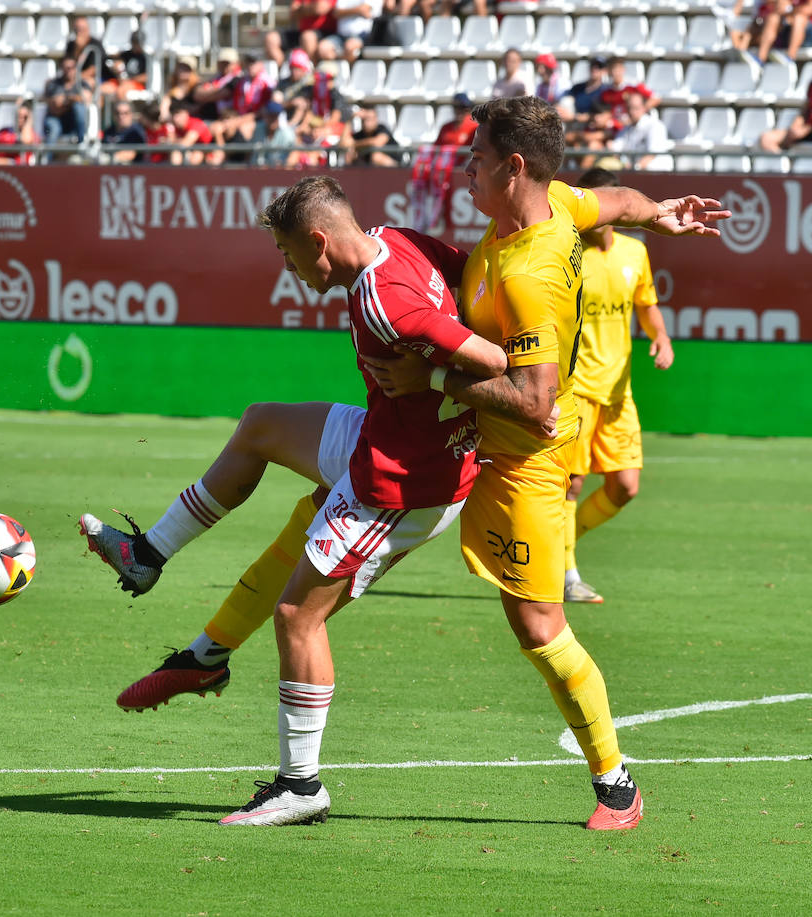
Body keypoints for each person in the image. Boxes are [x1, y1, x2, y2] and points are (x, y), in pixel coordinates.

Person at [81, 174, 512, 826]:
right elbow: (472, 271)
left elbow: (495, 361)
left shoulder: (383, 305)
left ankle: (300, 785)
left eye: (287, 255)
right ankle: (148, 553)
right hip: (387, 436)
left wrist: (429, 374)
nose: (289, 270)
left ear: (318, 240)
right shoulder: (395, 241)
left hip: (402, 484)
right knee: (262, 425)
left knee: (297, 616)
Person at [364, 96, 727, 831]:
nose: (467, 167)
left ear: (514, 166)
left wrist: (431, 381)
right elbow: (616, 199)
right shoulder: (556, 202)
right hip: (481, 448)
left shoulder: (531, 274)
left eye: (478, 156)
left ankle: (617, 785)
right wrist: (661, 212)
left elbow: (534, 402)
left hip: (522, 462)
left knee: (539, 626)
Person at [559, 168, 672, 605]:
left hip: (618, 390)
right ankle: (567, 575)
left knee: (625, 487)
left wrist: (660, 336)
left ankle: (564, 542)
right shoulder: (568, 255)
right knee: (572, 484)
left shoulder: (634, 253)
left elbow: (647, 304)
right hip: (578, 389)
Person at [609, 91, 669, 170]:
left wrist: (635, 168)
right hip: (634, 173)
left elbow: (652, 155)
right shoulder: (626, 128)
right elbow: (614, 149)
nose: (631, 112)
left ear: (644, 108)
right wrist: (626, 164)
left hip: (655, 175)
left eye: (635, 108)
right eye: (629, 108)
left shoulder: (655, 126)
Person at [43, 56, 91, 143]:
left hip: (74, 121)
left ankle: (82, 145)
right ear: (61, 68)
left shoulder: (82, 83)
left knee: (79, 108)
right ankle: (47, 156)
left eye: (72, 67)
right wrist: (74, 99)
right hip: (56, 119)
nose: (69, 70)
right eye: (66, 68)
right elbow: (55, 108)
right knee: (54, 129)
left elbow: (87, 100)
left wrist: (66, 100)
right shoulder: (53, 84)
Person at [64, 15, 109, 84]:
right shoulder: (71, 44)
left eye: (82, 29)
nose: (79, 32)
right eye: (77, 29)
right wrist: (77, 49)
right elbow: (67, 63)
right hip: (74, 77)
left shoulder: (95, 45)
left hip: (96, 78)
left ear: (88, 29)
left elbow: (93, 70)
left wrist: (75, 79)